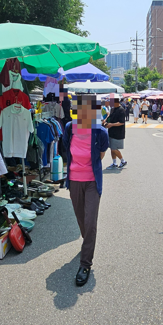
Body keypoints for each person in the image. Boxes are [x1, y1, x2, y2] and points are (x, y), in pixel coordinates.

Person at [63, 94, 109, 286]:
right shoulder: (69, 129)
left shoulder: (100, 132)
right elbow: (67, 150)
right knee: (81, 219)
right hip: (74, 181)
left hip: (92, 182)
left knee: (90, 221)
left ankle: (85, 263)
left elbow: (100, 155)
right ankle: (87, 241)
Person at [103, 97, 127, 169]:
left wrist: (112, 124)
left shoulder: (121, 110)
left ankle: (123, 161)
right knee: (111, 148)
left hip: (118, 132)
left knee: (114, 148)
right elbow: (109, 116)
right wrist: (105, 121)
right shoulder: (113, 109)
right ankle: (114, 163)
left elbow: (121, 122)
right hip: (111, 131)